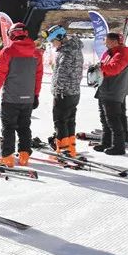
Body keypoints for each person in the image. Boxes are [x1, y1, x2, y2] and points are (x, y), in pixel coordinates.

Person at [0, 22, 43, 167]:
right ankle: (25, 155)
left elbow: (0, 74)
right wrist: (36, 95)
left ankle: (7, 157)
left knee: (8, 128)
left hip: (11, 98)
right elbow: (38, 77)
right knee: (24, 127)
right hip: (28, 98)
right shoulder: (36, 53)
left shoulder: (8, 52)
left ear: (12, 34)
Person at [43, 25, 83, 157]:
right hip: (74, 91)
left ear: (60, 37)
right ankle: (71, 148)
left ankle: (63, 149)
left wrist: (57, 89)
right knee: (70, 120)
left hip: (64, 93)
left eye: (53, 41)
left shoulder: (66, 52)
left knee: (60, 121)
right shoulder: (74, 49)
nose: (52, 45)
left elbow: (62, 74)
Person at [92, 32, 128, 155]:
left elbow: (114, 69)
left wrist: (100, 67)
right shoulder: (111, 53)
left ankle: (118, 146)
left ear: (114, 41)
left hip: (113, 90)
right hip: (106, 88)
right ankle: (106, 142)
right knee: (105, 118)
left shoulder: (121, 54)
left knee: (113, 119)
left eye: (107, 40)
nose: (104, 42)